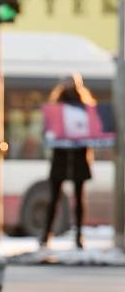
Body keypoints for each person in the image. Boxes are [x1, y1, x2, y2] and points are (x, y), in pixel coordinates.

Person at [41, 72, 96, 249]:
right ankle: (46, 234)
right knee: (54, 198)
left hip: (79, 158)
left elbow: (93, 130)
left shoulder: (86, 107)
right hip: (61, 158)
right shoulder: (56, 107)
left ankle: (79, 234)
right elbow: (47, 132)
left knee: (79, 199)